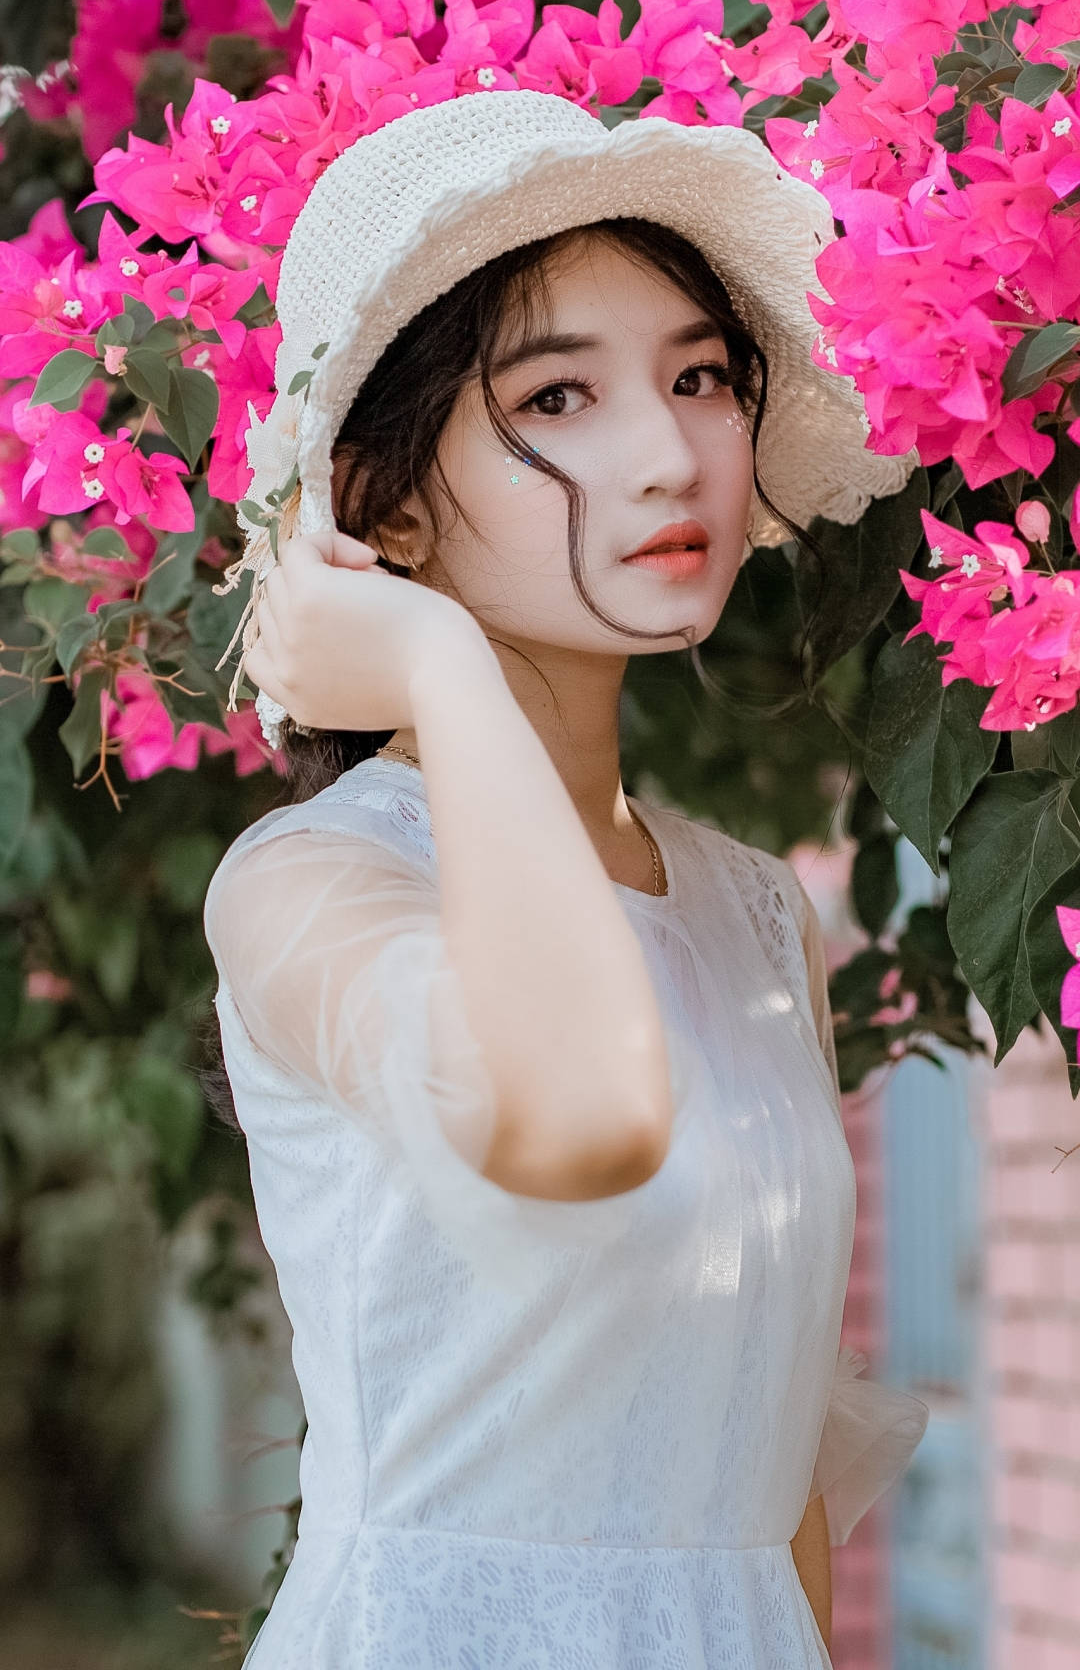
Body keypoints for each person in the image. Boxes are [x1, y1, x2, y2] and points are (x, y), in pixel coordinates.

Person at [201, 88, 929, 1669]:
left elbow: (765, 1476)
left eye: (699, 378)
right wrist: (434, 668)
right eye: (559, 396)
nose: (671, 453)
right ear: (383, 503)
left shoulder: (752, 914)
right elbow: (582, 1120)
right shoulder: (308, 890)